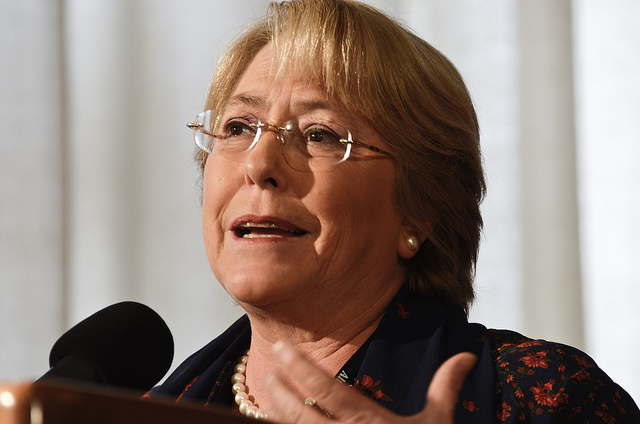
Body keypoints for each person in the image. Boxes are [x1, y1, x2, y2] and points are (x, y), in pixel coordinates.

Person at [148, 0, 640, 422]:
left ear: (418, 210)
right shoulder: (143, 408)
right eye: (238, 127)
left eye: (319, 135)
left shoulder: (541, 400)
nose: (259, 164)